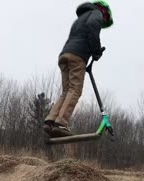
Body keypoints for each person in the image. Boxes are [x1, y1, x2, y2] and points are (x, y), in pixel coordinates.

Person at [44, 0, 113, 137]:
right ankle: (61, 123)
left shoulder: (80, 19)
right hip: (77, 56)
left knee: (66, 92)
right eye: (104, 19)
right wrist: (96, 51)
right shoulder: (96, 13)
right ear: (103, 11)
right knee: (75, 90)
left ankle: (50, 121)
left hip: (64, 55)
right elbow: (93, 27)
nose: (103, 21)